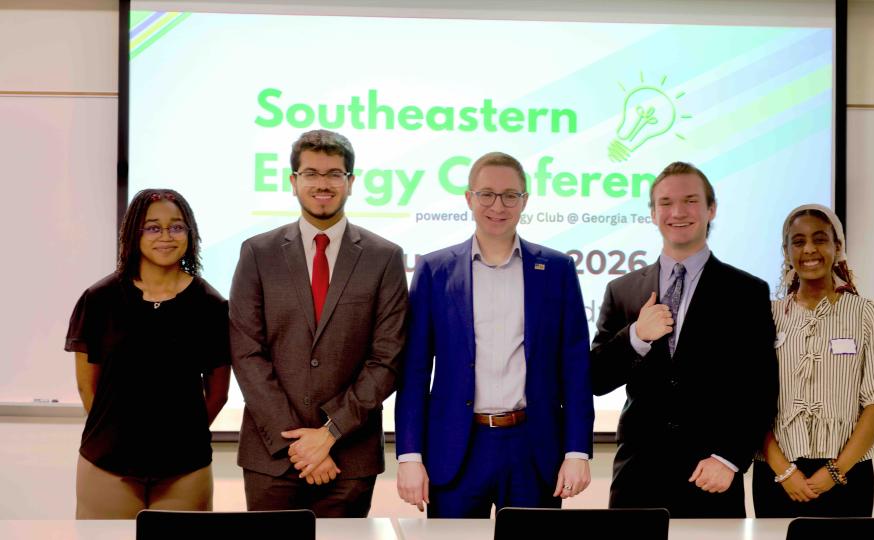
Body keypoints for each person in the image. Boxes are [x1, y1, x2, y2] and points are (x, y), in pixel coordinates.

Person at [394, 151, 594, 518]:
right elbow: (414, 372)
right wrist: (409, 455)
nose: (497, 206)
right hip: (456, 448)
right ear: (469, 198)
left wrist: (577, 451)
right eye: (486, 194)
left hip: (533, 449)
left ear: (525, 201)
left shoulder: (557, 269)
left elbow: (576, 368)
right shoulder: (433, 270)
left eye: (509, 195)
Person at [229, 129, 408, 517]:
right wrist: (299, 445)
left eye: (334, 174)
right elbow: (246, 353)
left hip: (349, 459)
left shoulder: (385, 257)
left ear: (351, 183)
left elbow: (387, 358)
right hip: (271, 457)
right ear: (293, 182)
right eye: (311, 173)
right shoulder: (258, 253)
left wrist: (329, 434)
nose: (322, 184)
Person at [589, 161, 778, 518]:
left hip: (711, 474)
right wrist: (636, 337)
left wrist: (730, 457)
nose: (677, 212)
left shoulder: (746, 291)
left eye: (690, 201)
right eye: (665, 202)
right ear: (652, 212)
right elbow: (596, 379)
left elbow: (761, 386)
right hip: (637, 475)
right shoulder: (623, 290)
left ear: (711, 209)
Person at [65, 188, 231, 519]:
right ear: (133, 234)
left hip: (185, 469)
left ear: (190, 233)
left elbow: (218, 393)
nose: (166, 236)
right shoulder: (99, 300)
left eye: (177, 227)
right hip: (107, 466)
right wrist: (121, 434)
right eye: (152, 227)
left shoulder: (211, 306)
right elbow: (89, 388)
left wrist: (177, 436)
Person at [752, 203, 874, 517]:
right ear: (786, 250)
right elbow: (752, 399)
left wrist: (835, 472)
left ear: (838, 247)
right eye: (798, 241)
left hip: (848, 474)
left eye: (820, 239)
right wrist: (784, 470)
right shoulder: (767, 315)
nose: (809, 249)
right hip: (777, 475)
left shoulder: (866, 313)